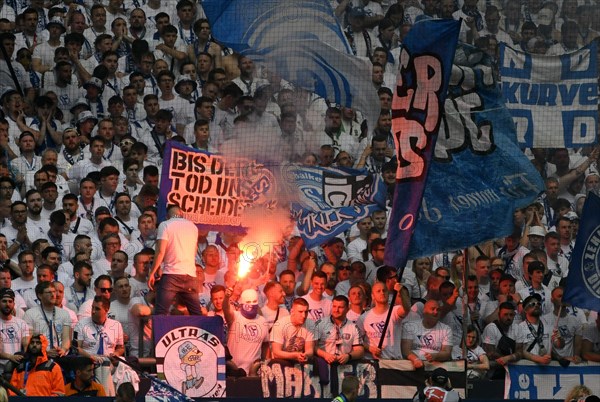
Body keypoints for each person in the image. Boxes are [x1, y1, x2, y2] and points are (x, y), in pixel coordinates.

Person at [148, 204, 202, 315]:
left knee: (160, 314)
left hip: (171, 275)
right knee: (197, 314)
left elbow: (160, 252)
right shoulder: (193, 227)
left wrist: (152, 273)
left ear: (168, 216)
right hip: (190, 276)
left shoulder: (165, 225)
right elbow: (194, 250)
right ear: (181, 213)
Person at [270, 298, 315, 364]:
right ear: (292, 312)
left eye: (306, 312)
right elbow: (276, 353)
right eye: (300, 312)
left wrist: (305, 355)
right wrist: (295, 355)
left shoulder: (310, 324)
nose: (304, 315)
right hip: (280, 361)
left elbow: (310, 350)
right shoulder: (280, 325)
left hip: (299, 360)